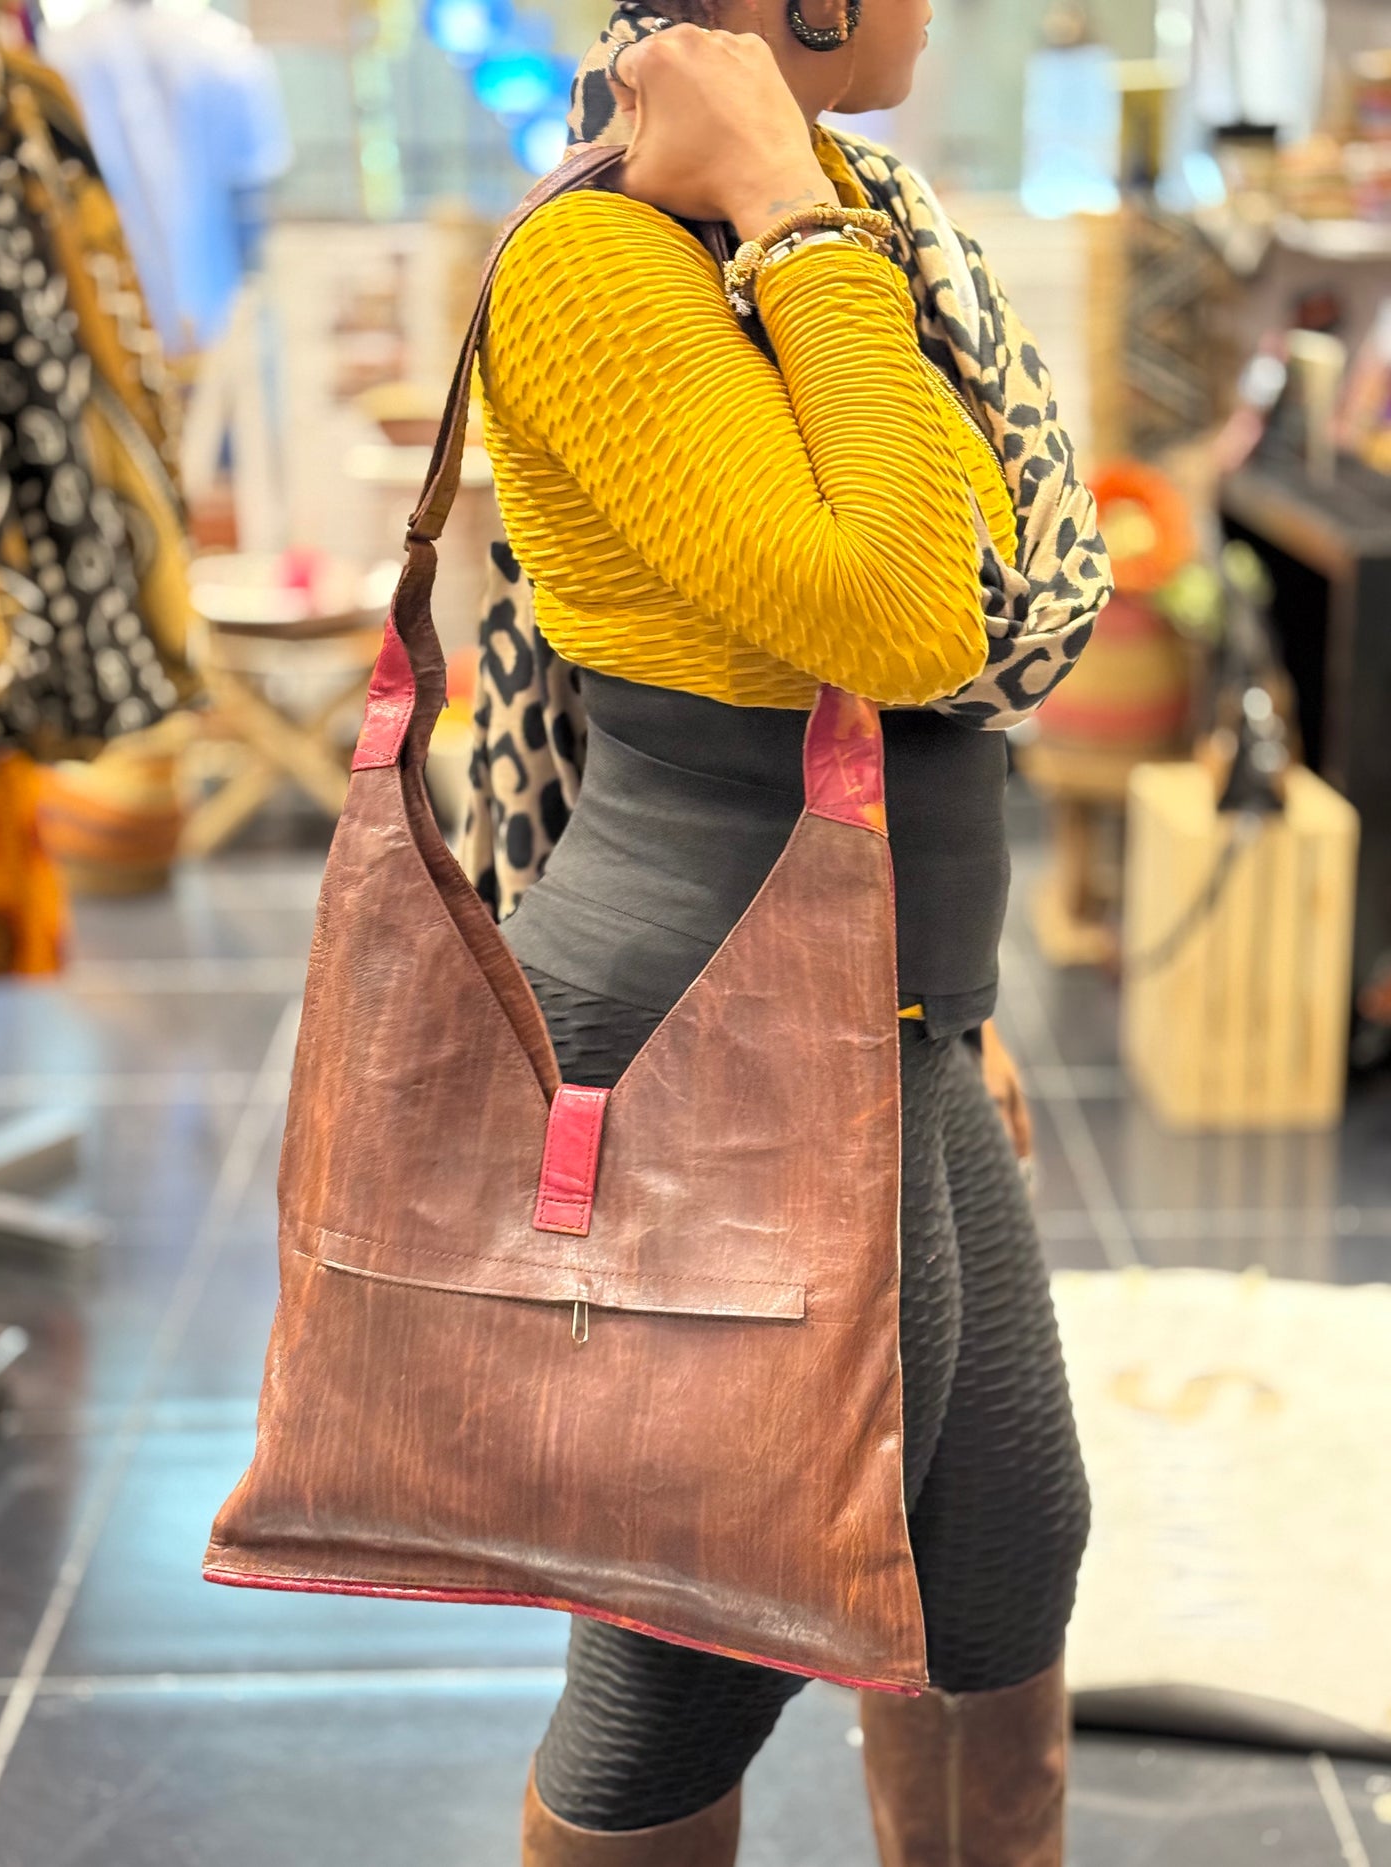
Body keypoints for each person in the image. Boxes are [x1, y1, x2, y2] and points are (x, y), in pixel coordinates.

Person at [472, 4, 1112, 1861]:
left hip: (890, 1002)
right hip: (711, 1030)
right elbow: (902, 617)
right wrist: (783, 211)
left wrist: (948, 1020)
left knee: (996, 1584)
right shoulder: (607, 254)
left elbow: (982, 613)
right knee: (692, 1668)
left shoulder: (855, 213)